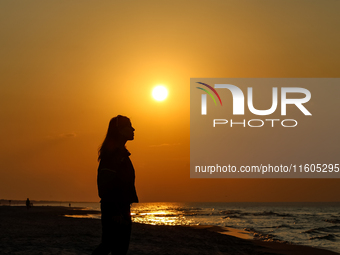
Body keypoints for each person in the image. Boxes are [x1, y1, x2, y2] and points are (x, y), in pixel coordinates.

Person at [92, 115, 139, 255]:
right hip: (115, 209)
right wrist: (115, 212)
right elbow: (105, 185)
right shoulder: (112, 155)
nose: (133, 129)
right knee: (111, 246)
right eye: (129, 126)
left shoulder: (121, 154)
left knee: (114, 248)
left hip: (122, 208)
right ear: (119, 130)